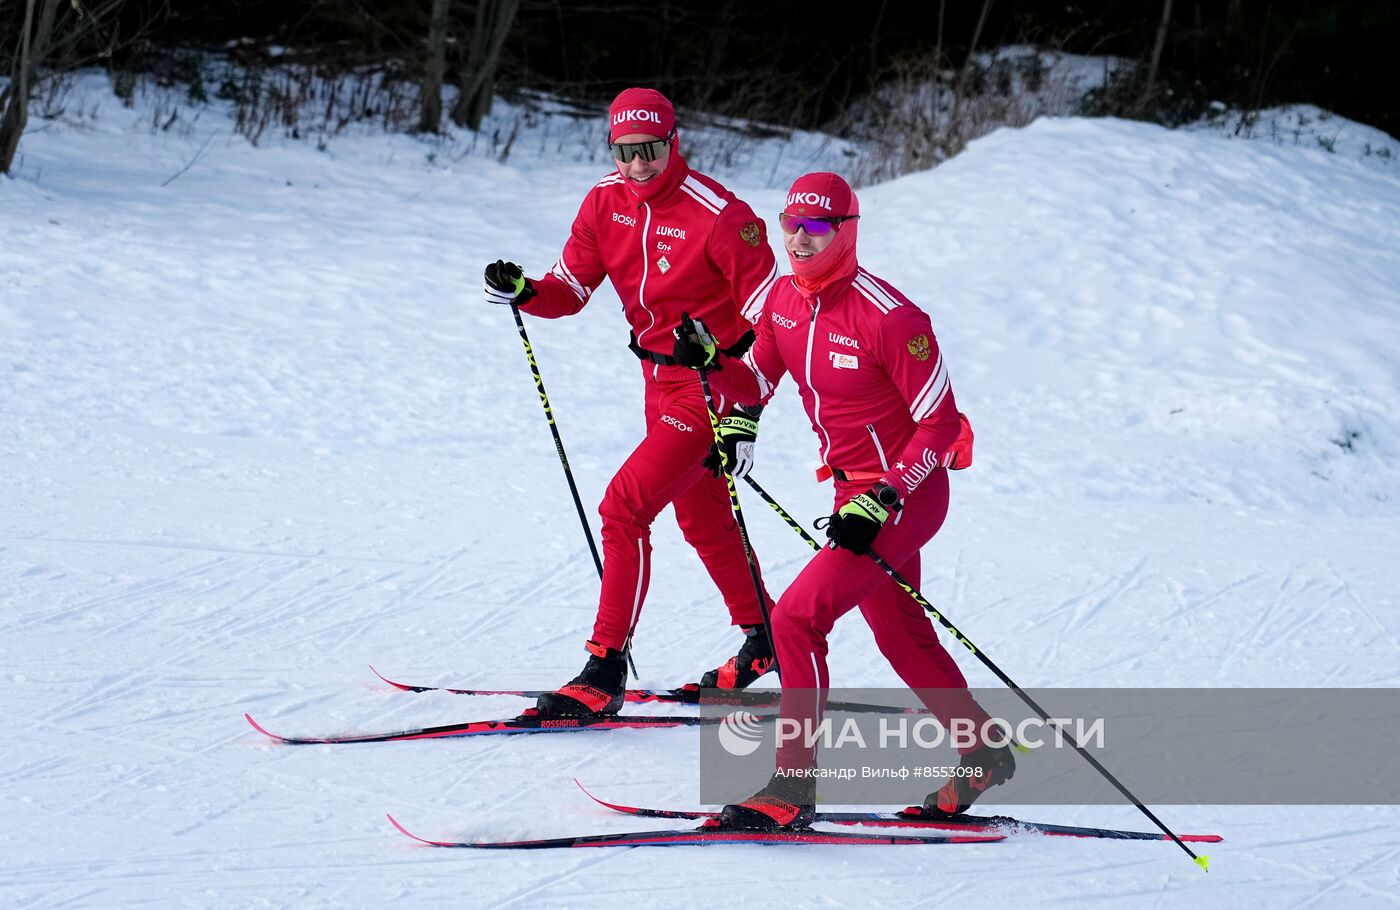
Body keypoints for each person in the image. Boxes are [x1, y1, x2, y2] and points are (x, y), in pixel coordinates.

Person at [672, 172, 1015, 828]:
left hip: (907, 491)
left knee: (796, 621)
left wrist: (883, 498)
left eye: (817, 228)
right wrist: (712, 360)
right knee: (902, 636)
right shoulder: (781, 302)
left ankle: (793, 787)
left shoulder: (891, 317)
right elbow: (757, 379)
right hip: (852, 488)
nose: (799, 240)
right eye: (791, 225)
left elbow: (940, 425)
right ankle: (982, 753)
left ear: (846, 231)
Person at [482, 88, 781, 717]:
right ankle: (767, 638)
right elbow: (569, 287)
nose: (639, 165)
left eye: (650, 150)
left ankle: (603, 669)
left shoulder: (721, 216)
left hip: (710, 383)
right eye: (626, 152)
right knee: (701, 518)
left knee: (624, 507)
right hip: (657, 380)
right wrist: (526, 291)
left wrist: (746, 407)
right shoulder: (603, 202)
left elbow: (772, 322)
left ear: (674, 143)